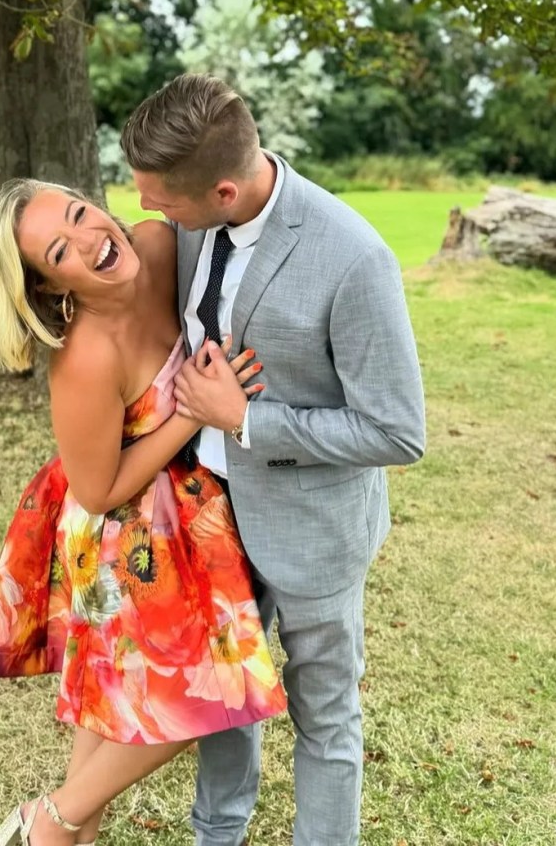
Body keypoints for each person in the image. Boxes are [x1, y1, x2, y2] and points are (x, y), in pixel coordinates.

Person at [119, 73, 426, 846]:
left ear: (224, 189)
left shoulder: (355, 258)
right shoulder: (189, 221)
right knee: (223, 696)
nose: (150, 213)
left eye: (163, 202)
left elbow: (397, 432)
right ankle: (216, 835)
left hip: (315, 529)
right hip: (209, 518)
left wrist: (249, 418)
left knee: (325, 713)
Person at [0, 178, 287, 846]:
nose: (89, 241)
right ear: (53, 288)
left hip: (191, 513)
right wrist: (192, 411)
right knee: (204, 695)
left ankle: (61, 831)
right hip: (120, 536)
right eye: (61, 251)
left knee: (108, 709)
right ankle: (45, 822)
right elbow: (97, 491)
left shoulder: (160, 245)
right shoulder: (84, 357)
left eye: (82, 216)